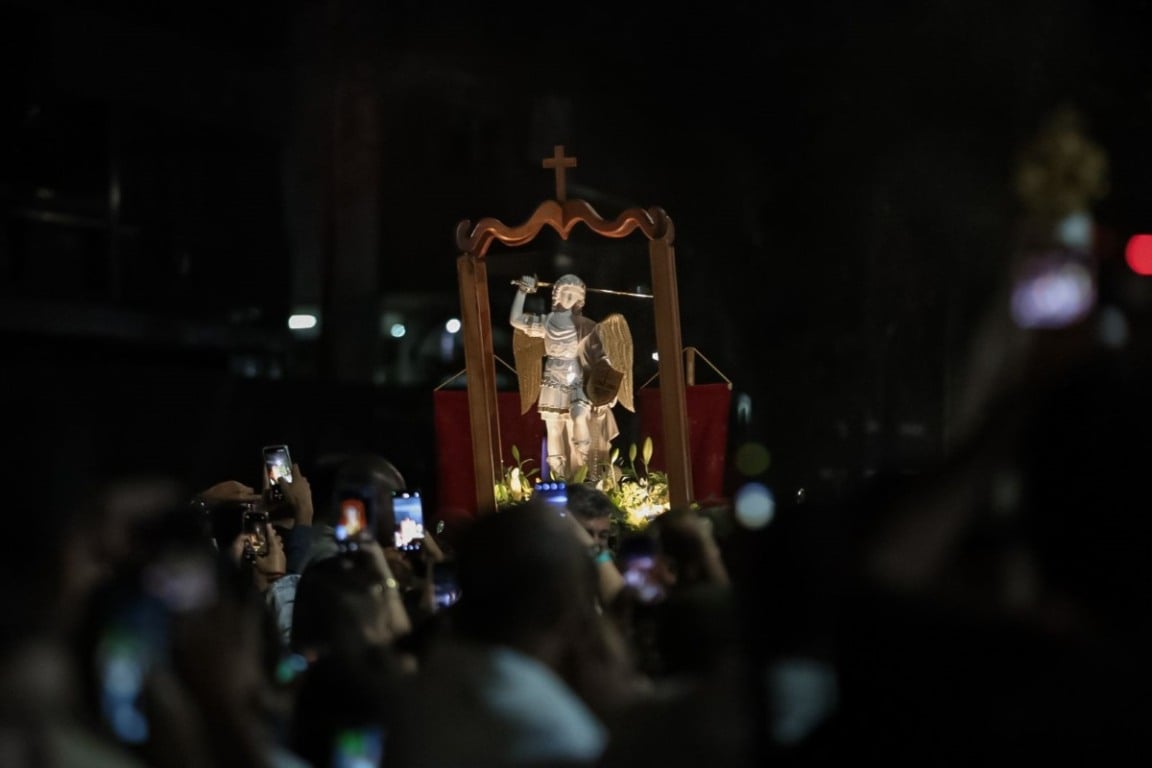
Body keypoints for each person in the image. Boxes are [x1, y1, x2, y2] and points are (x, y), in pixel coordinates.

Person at [510, 273, 633, 481]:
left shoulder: (587, 326)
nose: (570, 298)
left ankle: (587, 469)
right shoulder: (547, 322)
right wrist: (522, 291)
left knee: (579, 415)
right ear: (557, 295)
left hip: (576, 377)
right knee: (554, 426)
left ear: (580, 301)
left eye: (575, 296)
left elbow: (601, 357)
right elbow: (515, 320)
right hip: (552, 378)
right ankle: (559, 476)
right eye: (566, 293)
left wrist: (606, 388)